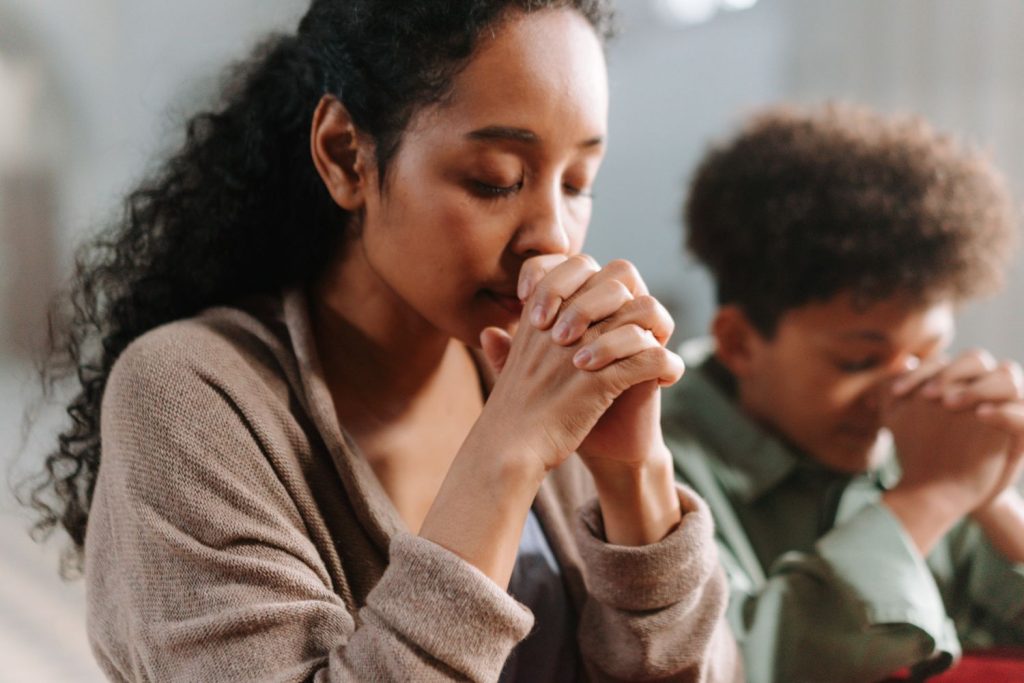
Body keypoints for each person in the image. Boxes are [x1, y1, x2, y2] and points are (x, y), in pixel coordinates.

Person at [24, 1, 741, 681]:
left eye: (578, 181)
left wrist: (634, 477)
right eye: (496, 181)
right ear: (345, 156)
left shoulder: (548, 384)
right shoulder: (190, 396)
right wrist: (503, 458)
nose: (552, 234)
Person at [664, 103, 1024, 683]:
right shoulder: (648, 458)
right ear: (740, 344)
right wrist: (928, 498)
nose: (901, 392)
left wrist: (993, 491)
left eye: (929, 354)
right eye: (860, 361)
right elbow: (729, 664)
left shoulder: (927, 441)